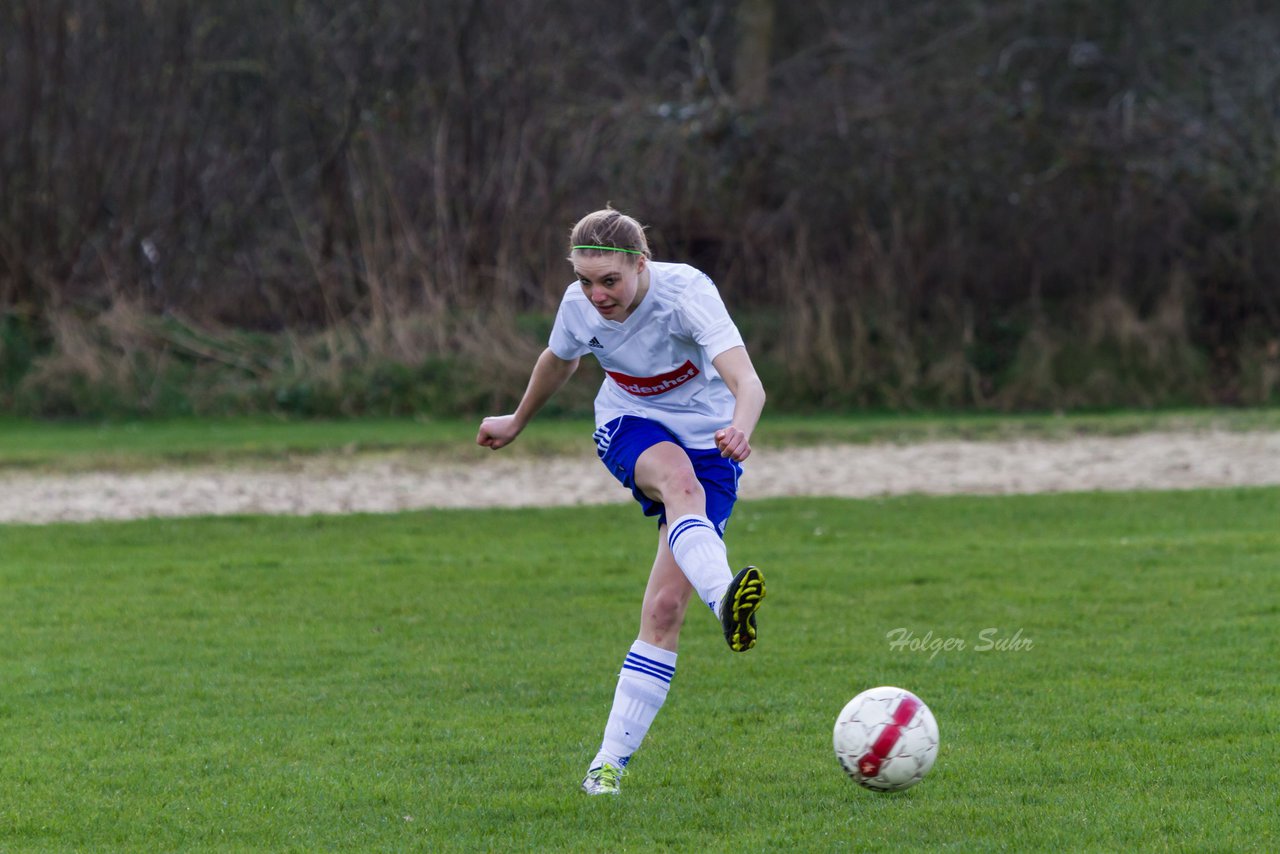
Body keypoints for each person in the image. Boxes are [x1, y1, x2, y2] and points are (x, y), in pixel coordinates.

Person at [476, 207, 767, 796]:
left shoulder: (687, 294)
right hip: (630, 424)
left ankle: (605, 767)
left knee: (662, 610)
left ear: (641, 263)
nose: (596, 294)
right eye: (585, 280)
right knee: (677, 481)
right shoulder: (578, 306)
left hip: (713, 438)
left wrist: (740, 427)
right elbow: (558, 361)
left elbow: (748, 381)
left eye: (609, 280)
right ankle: (725, 597)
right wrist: (517, 419)